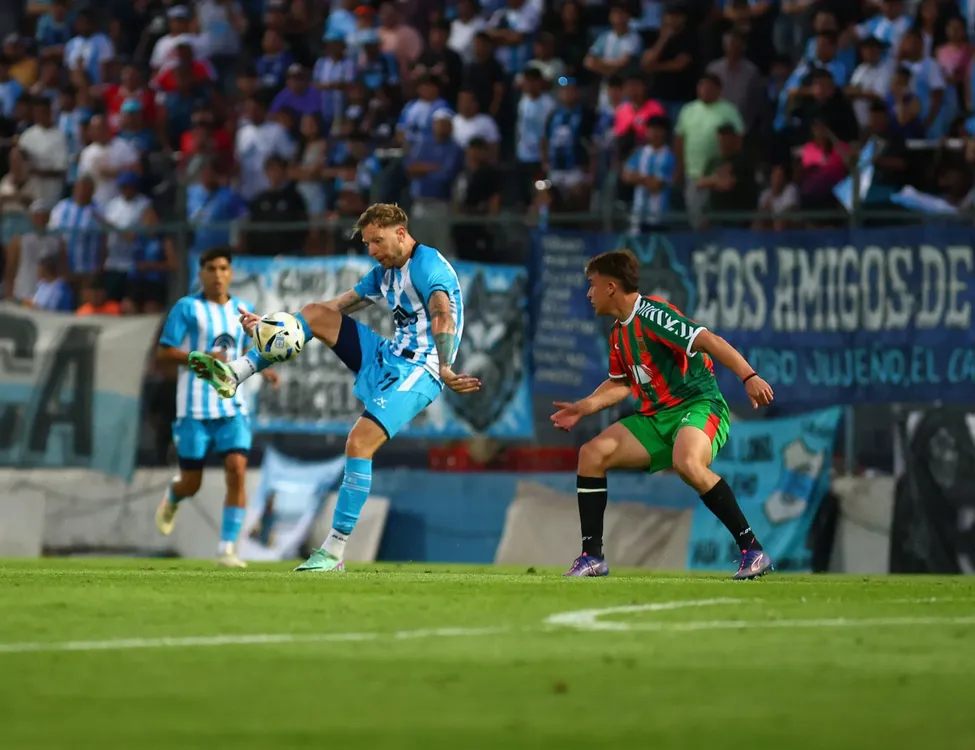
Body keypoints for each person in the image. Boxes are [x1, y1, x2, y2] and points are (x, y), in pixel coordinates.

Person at [188, 204, 480, 573]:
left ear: (401, 234)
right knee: (313, 313)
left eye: (377, 241)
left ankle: (333, 551)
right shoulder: (383, 273)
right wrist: (270, 325)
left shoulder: (427, 266)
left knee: (359, 443)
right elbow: (335, 306)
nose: (371, 250)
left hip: (422, 370)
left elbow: (442, 311)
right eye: (367, 243)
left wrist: (445, 365)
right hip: (388, 356)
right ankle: (236, 372)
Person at [550, 250, 776, 580]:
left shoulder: (653, 315)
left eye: (592, 284)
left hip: (699, 405)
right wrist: (584, 406)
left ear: (611, 287)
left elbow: (708, 341)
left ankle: (752, 550)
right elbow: (623, 383)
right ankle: (592, 557)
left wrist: (749, 376)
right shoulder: (618, 332)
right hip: (656, 418)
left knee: (687, 462)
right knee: (592, 454)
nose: (589, 293)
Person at [154, 247, 279, 568]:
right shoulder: (187, 308)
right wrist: (200, 359)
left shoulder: (243, 308)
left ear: (231, 273)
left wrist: (266, 367)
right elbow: (164, 354)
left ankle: (227, 549)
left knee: (237, 471)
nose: (218, 274)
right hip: (193, 408)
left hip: (232, 404)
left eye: (224, 268)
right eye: (211, 268)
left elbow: (248, 347)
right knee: (191, 482)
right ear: (201, 273)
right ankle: (175, 494)